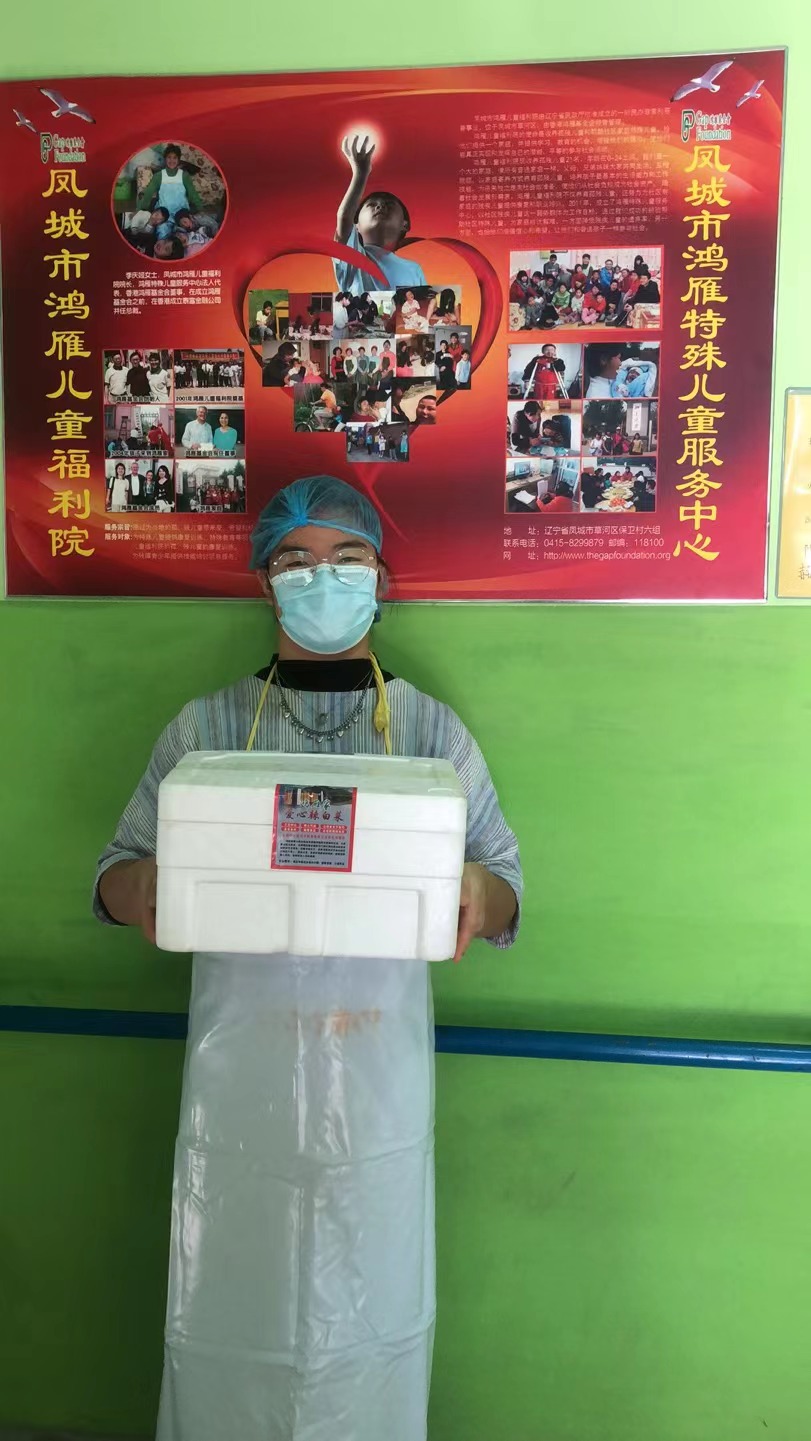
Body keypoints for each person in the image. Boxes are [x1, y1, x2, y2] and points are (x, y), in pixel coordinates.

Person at [94, 475, 520, 1440]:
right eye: (295, 560)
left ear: (381, 576)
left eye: (346, 558)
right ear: (264, 582)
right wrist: (147, 886)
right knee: (231, 1300)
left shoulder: (431, 732)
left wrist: (475, 892)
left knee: (370, 1308)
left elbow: (503, 884)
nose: (321, 578)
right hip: (236, 1082)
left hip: (376, 1079)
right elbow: (114, 873)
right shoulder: (203, 729)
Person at [334, 133, 425, 295]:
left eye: (389, 204)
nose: (380, 206)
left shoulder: (414, 269)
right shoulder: (354, 258)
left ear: (404, 224)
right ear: (356, 225)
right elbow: (344, 217)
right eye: (371, 205)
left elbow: (423, 308)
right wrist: (360, 174)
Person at [140, 143, 204, 220]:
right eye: (169, 157)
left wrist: (200, 209)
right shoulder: (158, 176)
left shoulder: (184, 175)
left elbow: (192, 193)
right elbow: (148, 194)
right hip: (163, 213)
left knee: (186, 225)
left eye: (175, 158)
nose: (172, 160)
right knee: (161, 226)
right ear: (165, 159)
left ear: (178, 159)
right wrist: (140, 210)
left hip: (181, 213)